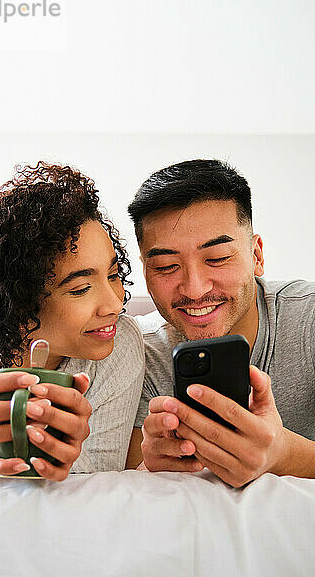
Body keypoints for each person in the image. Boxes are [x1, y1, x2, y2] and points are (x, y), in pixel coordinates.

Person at [0, 162, 144, 480]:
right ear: (17, 302)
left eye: (114, 274)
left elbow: (101, 485)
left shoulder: (119, 345)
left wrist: (67, 456)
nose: (115, 304)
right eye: (80, 289)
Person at [126, 159, 315, 487]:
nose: (195, 289)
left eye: (217, 259)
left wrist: (284, 454)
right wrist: (148, 470)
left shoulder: (308, 319)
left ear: (256, 255)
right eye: (166, 266)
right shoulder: (134, 353)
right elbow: (122, 492)